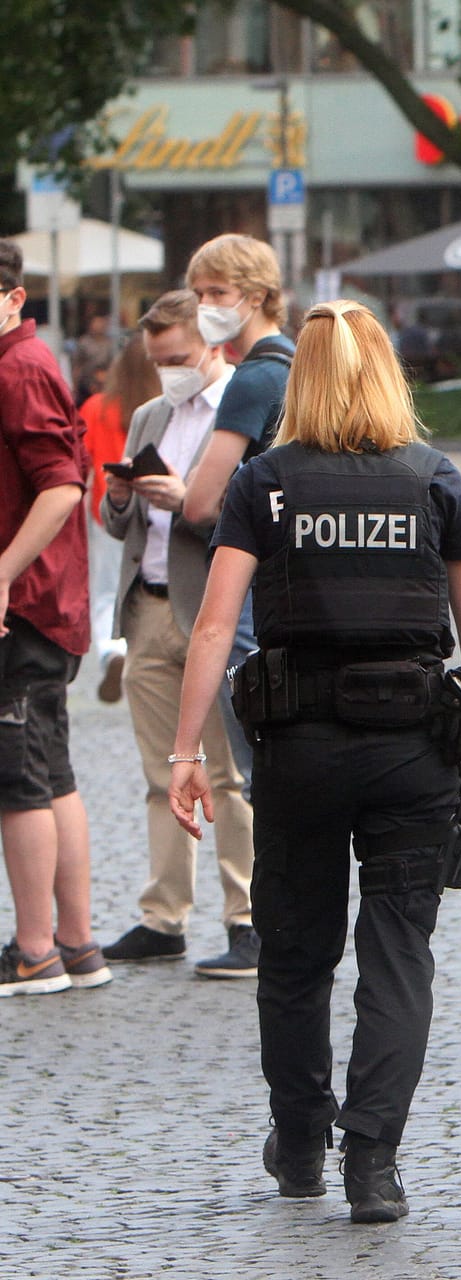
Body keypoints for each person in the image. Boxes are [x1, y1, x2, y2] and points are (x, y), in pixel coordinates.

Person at [167, 299, 461, 1223]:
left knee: (296, 952)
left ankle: (299, 1142)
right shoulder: (433, 478)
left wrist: (185, 751)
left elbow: (210, 626)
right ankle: (374, 1159)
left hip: (299, 752)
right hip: (414, 752)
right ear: (388, 376)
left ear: (302, 381)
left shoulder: (266, 482)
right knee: (398, 952)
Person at [97, 291, 259, 977]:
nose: (169, 371)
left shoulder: (241, 413)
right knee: (157, 772)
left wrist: (187, 504)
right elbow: (115, 525)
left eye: (180, 359)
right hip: (150, 608)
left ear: (212, 345)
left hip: (211, 616)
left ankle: (247, 916)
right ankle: (163, 916)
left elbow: (245, 522)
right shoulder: (148, 416)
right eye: (158, 361)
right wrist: (125, 497)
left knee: (225, 775)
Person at [0, 239, 105, 997]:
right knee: (51, 770)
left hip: (27, 604)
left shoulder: (18, 367)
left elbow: (62, 487)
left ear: (13, 297)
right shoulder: (23, 364)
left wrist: (1, 574)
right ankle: (74, 945)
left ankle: (34, 950)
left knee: (18, 780)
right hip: (45, 601)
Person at [181, 233, 296, 796]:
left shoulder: (252, 378)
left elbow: (199, 501)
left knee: (258, 770)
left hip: (247, 584)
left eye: (217, 291)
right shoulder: (302, 363)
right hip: (299, 578)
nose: (206, 305)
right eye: (198, 293)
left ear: (256, 296)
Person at [78, 338, 159, 703]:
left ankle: (111, 649)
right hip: (154, 510)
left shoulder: (96, 408)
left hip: (108, 513)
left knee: (108, 589)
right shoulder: (162, 409)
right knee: (150, 585)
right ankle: (144, 652)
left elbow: (80, 466)